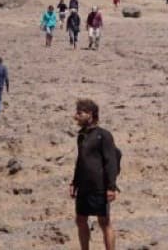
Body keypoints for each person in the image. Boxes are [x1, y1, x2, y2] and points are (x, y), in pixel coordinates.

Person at [70, 98, 119, 250]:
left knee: (104, 222)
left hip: (100, 186)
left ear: (90, 114)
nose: (75, 116)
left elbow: (111, 161)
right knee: (80, 220)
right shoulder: (82, 135)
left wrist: (111, 187)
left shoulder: (103, 135)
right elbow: (80, 161)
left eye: (80, 113)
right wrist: (74, 182)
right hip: (84, 186)